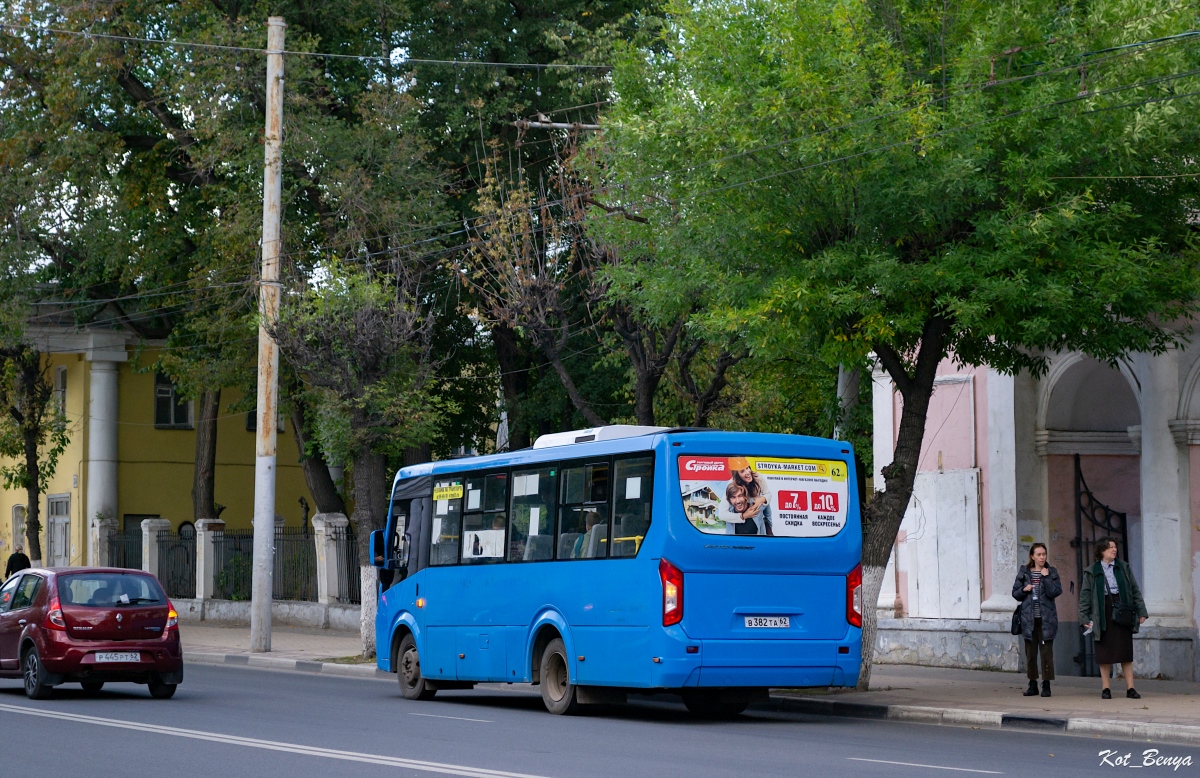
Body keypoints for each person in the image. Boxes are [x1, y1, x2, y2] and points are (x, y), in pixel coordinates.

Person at [1079, 537, 1148, 699]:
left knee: (1125, 651)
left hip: (1122, 610)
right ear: (1102, 551)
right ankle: (1106, 689)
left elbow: (1134, 589)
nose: (1114, 550)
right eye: (1110, 547)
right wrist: (1084, 617)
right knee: (1104, 652)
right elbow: (1085, 596)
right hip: (1102, 612)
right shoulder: (1092, 570)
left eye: (1115, 547)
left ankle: (1130, 688)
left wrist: (1141, 611)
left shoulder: (1123, 567)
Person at [1012, 543, 1061, 697]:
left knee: (1046, 654)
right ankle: (1032, 684)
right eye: (1038, 554)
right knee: (1031, 654)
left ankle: (1046, 685)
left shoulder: (1051, 572)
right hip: (1029, 620)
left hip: (1046, 620)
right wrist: (1023, 589)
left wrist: (1045, 577)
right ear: (1032, 556)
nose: (1042, 557)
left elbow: (1055, 592)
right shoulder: (1024, 572)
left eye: (1044, 554)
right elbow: (1015, 593)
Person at [729, 458, 773, 536]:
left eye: (747, 468)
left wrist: (762, 499)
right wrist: (744, 516)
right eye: (742, 471)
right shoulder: (731, 486)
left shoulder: (757, 478)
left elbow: (768, 496)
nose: (747, 472)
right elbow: (723, 515)